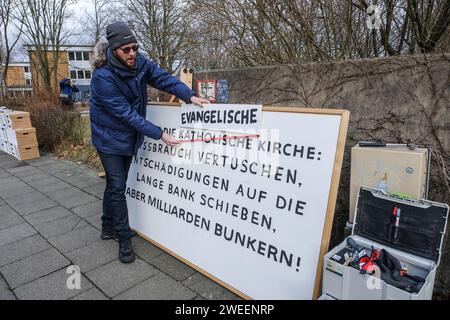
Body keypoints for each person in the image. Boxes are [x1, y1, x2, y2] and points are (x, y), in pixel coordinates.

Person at [89, 22, 209, 264]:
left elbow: (163, 78)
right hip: (108, 138)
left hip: (128, 136)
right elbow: (125, 113)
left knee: (115, 185)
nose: (132, 53)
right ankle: (123, 239)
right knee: (117, 186)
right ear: (113, 50)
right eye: (126, 49)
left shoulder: (140, 62)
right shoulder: (102, 77)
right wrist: (160, 134)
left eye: (135, 47)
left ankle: (107, 226)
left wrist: (189, 95)